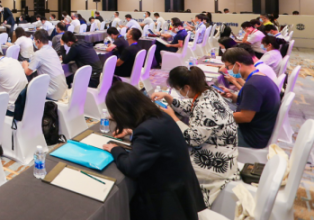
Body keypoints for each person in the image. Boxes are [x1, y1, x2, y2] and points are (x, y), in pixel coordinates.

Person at [102, 82, 205, 220]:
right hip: (183, 193)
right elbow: (157, 138)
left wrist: (116, 149)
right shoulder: (160, 116)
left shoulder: (146, 131)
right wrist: (132, 132)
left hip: (166, 203)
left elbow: (130, 167)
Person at [150, 67, 239, 207]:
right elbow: (193, 107)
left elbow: (193, 139)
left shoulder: (205, 106)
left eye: (178, 89)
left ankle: (175, 207)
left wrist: (173, 117)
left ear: (187, 87)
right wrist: (169, 98)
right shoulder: (209, 92)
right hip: (221, 152)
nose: (179, 93)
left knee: (165, 166)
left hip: (215, 163)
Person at [219, 48, 281, 148]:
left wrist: (218, 116)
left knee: (206, 132)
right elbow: (253, 104)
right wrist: (233, 97)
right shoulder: (261, 77)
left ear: (238, 65)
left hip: (250, 137)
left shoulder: (253, 85)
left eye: (228, 67)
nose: (228, 70)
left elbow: (245, 117)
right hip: (258, 131)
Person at [22, 30, 67, 100]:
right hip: (63, 89)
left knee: (27, 90)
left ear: (38, 41)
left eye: (34, 40)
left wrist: (25, 65)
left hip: (53, 92)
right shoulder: (52, 50)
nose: (34, 42)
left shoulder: (38, 54)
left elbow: (28, 72)